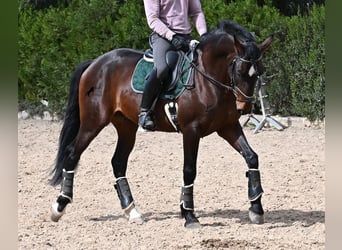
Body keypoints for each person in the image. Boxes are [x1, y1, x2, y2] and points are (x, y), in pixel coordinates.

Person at [139, 0, 207, 131]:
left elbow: (196, 12)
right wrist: (172, 36)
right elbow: (153, 19)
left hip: (185, 36)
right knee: (162, 68)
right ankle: (145, 111)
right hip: (162, 37)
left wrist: (203, 34)